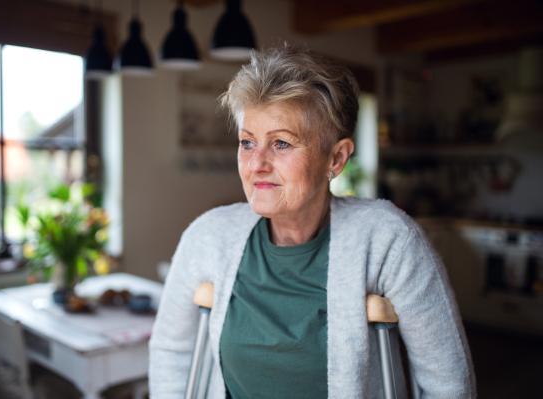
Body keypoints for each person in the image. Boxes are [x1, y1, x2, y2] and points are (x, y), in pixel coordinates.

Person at [149, 45, 476, 399]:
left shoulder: (389, 240)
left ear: (336, 158)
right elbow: (172, 351)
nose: (256, 163)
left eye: (282, 144)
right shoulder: (209, 236)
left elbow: (448, 382)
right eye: (247, 142)